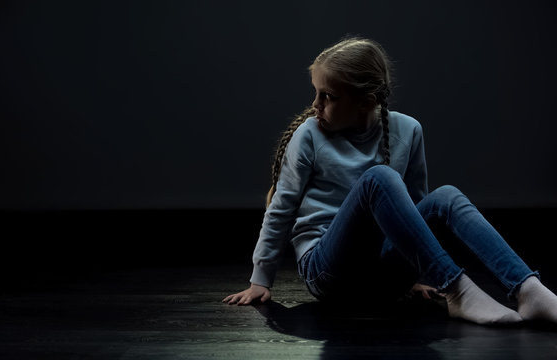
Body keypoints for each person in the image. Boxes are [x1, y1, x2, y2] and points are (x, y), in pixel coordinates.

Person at [222, 36, 557, 326]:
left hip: (383, 277)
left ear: (366, 101)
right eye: (316, 93)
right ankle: (458, 291)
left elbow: (413, 210)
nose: (315, 105)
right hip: (328, 270)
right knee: (379, 178)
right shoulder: (308, 135)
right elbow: (281, 208)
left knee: (446, 197)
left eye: (328, 96)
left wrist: (415, 275)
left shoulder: (408, 130)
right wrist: (260, 279)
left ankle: (528, 290)